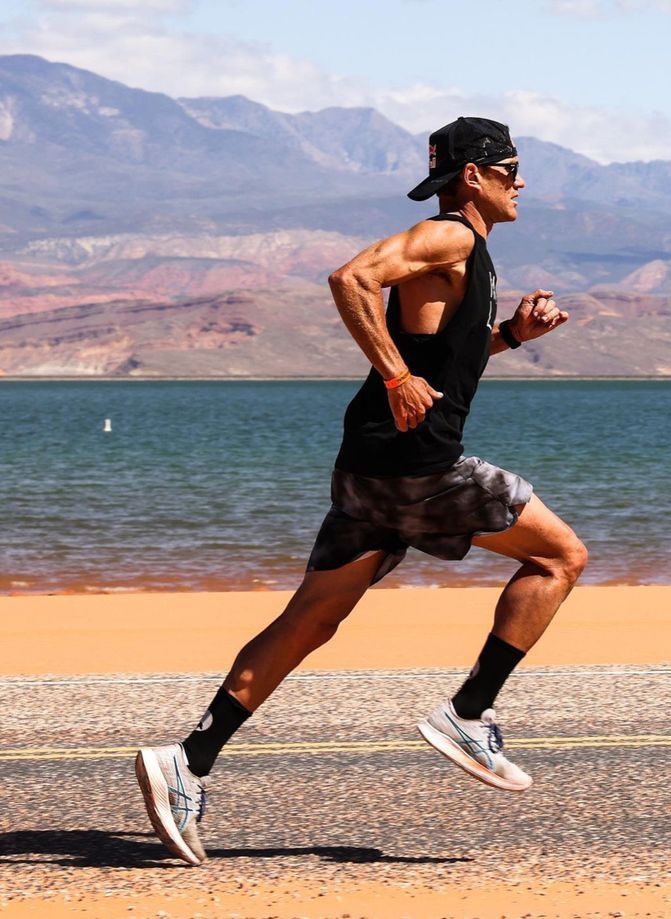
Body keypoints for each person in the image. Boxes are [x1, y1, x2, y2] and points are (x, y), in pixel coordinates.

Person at [135, 116, 588, 866]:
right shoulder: (452, 237)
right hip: (421, 468)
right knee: (560, 558)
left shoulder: (465, 258)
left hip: (369, 471)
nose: (522, 181)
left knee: (311, 620)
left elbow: (439, 348)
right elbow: (351, 278)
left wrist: (509, 337)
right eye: (511, 169)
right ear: (472, 176)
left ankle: (187, 760)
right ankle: (469, 713)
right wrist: (396, 376)